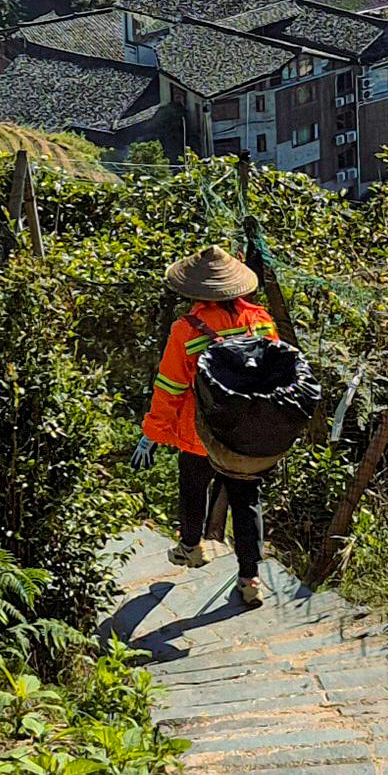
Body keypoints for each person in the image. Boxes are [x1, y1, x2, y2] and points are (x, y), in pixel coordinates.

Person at [144, 241, 275, 606]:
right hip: (244, 432)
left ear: (196, 291)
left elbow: (170, 386)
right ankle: (250, 580)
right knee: (246, 500)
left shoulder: (186, 329)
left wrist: (153, 431)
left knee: (192, 486)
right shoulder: (260, 320)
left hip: (199, 430)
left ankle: (191, 546)